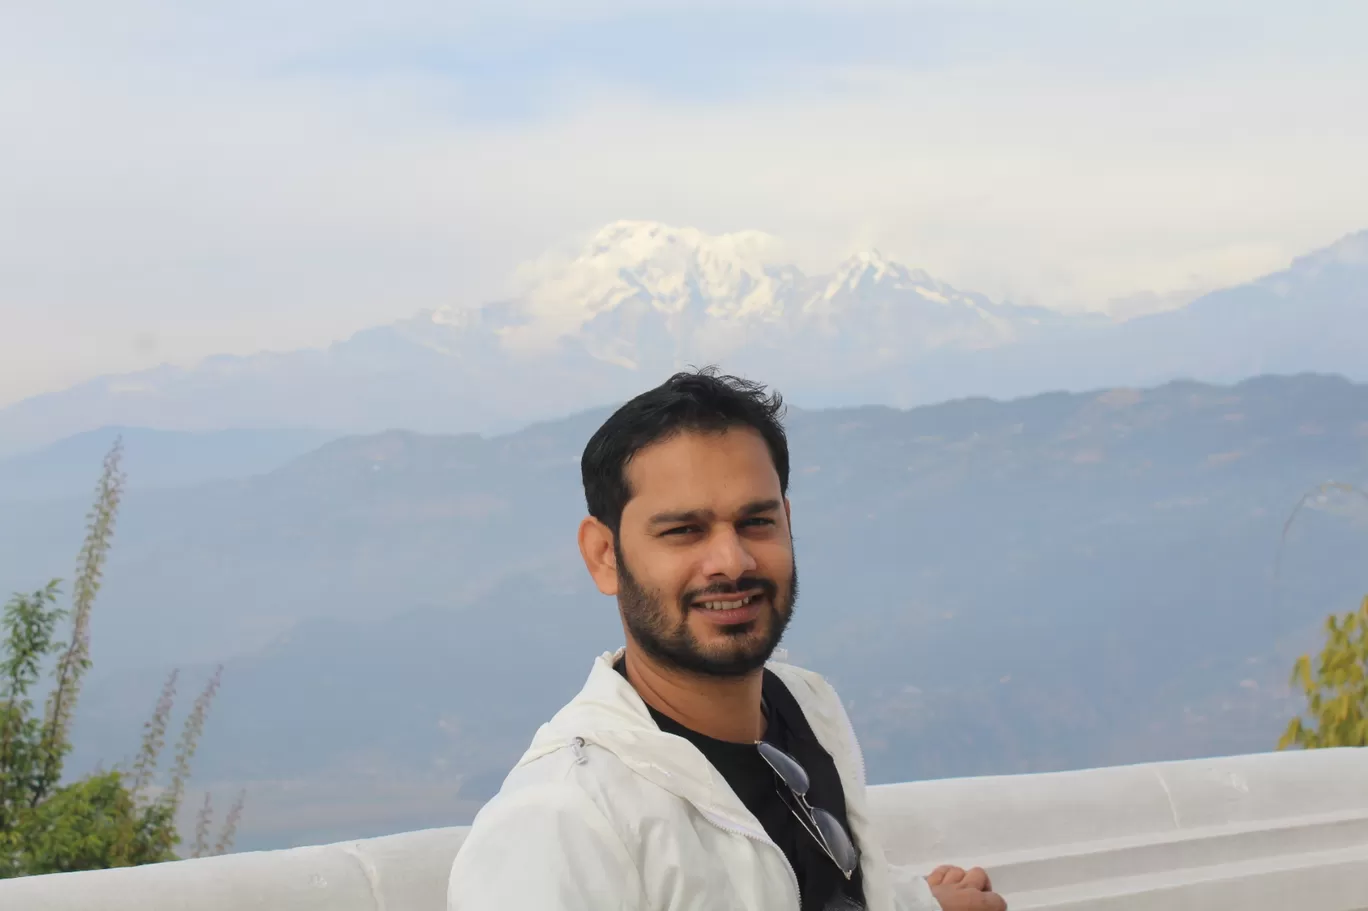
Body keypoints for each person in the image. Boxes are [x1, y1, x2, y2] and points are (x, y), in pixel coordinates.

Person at [448, 368, 1007, 911]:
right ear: (604, 555)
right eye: (683, 531)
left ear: (787, 522)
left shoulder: (804, 708)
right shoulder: (563, 822)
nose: (731, 561)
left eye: (756, 522)